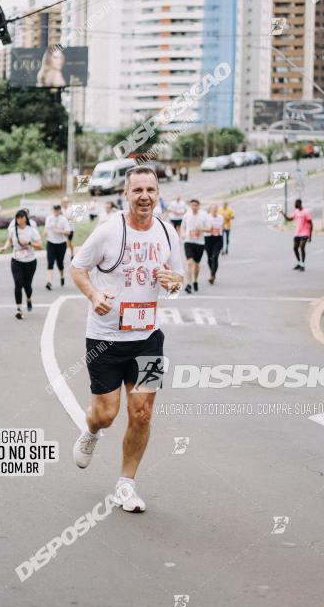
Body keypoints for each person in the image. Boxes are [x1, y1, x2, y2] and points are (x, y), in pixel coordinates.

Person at [70, 166, 183, 512]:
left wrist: (172, 282)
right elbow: (78, 267)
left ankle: (126, 484)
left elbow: (178, 277)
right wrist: (93, 295)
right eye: (138, 191)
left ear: (158, 194)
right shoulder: (108, 233)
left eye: (151, 190)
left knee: (143, 413)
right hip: (105, 339)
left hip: (148, 338)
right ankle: (91, 430)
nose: (145, 196)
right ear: (126, 194)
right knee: (106, 415)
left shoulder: (167, 233)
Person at [0, 209, 42, 319]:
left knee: (27, 286)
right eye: (17, 218)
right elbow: (9, 240)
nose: (19, 220)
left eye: (21, 217)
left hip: (30, 261)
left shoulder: (32, 231)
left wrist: (29, 243)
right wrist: (5, 247)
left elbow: (40, 245)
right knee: (18, 283)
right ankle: (18, 309)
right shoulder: (13, 230)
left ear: (25, 218)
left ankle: (28, 298)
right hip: (16, 260)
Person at [181, 198, 208, 294]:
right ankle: (188, 284)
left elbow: (209, 228)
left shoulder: (203, 215)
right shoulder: (187, 215)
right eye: (192, 205)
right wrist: (183, 234)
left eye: (196, 206)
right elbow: (182, 226)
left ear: (199, 206)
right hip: (188, 241)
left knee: (196, 265)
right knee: (189, 262)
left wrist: (202, 229)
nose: (194, 207)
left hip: (199, 243)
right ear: (190, 206)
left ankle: (195, 280)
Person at [281, 199, 313, 272]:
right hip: (297, 233)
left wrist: (310, 236)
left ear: (300, 203)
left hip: (305, 233)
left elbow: (311, 223)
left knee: (302, 247)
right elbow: (289, 219)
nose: (295, 205)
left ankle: (303, 265)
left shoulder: (306, 212)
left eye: (296, 203)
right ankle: (299, 263)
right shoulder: (296, 212)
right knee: (295, 248)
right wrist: (283, 214)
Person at [44, 204, 70, 290]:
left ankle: (62, 276)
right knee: (50, 262)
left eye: (57, 210)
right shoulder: (49, 218)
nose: (56, 211)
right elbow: (46, 228)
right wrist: (45, 232)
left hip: (61, 244)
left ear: (60, 210)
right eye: (54, 210)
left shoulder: (63, 219)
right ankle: (49, 282)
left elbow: (68, 232)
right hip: (51, 243)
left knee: (60, 263)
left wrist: (60, 231)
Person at [203, 204, 224, 285]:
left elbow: (220, 227)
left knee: (214, 257)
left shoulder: (220, 217)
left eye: (216, 209)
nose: (214, 211)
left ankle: (212, 275)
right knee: (209, 258)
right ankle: (212, 272)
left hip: (218, 239)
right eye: (213, 209)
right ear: (210, 210)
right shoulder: (206, 217)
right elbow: (204, 227)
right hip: (208, 239)